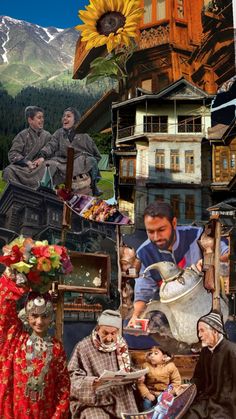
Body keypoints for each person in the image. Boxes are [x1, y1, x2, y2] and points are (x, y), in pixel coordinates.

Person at [128, 201, 228, 326]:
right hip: (175, 316)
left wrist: (211, 262)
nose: (156, 237)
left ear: (174, 223)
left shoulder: (198, 236)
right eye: (150, 231)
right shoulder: (144, 253)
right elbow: (143, 292)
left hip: (209, 306)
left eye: (161, 230)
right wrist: (136, 316)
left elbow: (227, 255)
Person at [0, 275, 70, 418]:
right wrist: (17, 282)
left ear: (51, 317)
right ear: (27, 315)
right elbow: (4, 308)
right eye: (34, 315)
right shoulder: (17, 339)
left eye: (44, 316)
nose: (39, 321)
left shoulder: (56, 347)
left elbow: (63, 387)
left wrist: (57, 415)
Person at [68, 309, 139, 418]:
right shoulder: (83, 347)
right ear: (97, 329)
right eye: (105, 333)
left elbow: (128, 369)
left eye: (113, 333)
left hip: (120, 399)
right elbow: (72, 379)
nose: (109, 338)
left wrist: (137, 376)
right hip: (92, 402)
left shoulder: (121, 345)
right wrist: (92, 382)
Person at [34, 107, 103, 196]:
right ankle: (45, 191)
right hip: (62, 162)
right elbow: (51, 145)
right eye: (64, 116)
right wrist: (42, 156)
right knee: (49, 164)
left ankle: (94, 186)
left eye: (68, 116)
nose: (64, 118)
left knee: (91, 160)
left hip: (79, 161)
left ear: (75, 120)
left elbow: (96, 155)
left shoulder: (84, 135)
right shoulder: (59, 133)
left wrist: (88, 161)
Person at [183, 310, 236, 418]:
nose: (199, 335)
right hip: (206, 400)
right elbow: (199, 378)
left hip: (227, 404)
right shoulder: (205, 352)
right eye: (199, 331)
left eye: (202, 331)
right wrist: (188, 387)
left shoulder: (232, 351)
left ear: (215, 331)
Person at [3, 106, 51, 189]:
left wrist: (42, 159)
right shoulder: (22, 135)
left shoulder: (47, 136)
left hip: (39, 168)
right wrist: (27, 162)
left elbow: (52, 151)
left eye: (43, 117)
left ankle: (39, 191)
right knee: (8, 171)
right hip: (23, 168)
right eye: (39, 118)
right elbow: (12, 153)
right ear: (30, 120)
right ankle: (20, 192)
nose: (42, 120)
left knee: (52, 166)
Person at [137, 346, 181, 411]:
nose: (152, 355)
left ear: (164, 357)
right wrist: (146, 394)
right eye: (150, 354)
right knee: (147, 404)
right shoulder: (146, 366)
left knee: (170, 406)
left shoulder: (170, 366)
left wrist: (169, 393)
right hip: (151, 393)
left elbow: (176, 381)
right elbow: (140, 383)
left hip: (165, 394)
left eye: (156, 353)